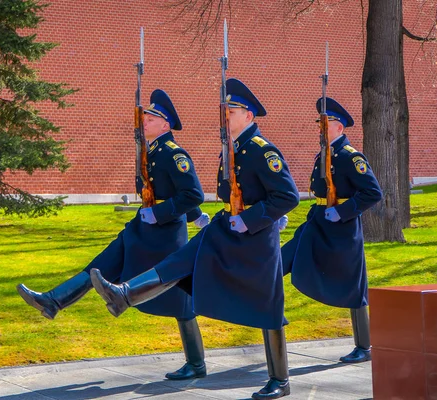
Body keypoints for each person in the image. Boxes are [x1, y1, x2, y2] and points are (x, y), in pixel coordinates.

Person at [90, 78, 300, 399]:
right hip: (226, 227)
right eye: (225, 110)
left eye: (232, 110)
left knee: (268, 303)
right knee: (179, 261)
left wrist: (251, 219)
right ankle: (124, 294)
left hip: (256, 237)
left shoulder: (261, 150)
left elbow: (287, 196)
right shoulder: (233, 149)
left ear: (249, 115)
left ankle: (280, 379)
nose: (226, 115)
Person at [16, 89, 210, 380]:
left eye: (152, 117)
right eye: (145, 116)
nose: (145, 120)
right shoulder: (152, 152)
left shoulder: (174, 153)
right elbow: (166, 190)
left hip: (165, 236)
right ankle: (53, 301)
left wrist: (171, 215)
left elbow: (192, 194)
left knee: (181, 300)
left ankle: (196, 363)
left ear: (166, 125)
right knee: (101, 264)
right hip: (141, 229)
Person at [281, 97, 383, 364]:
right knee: (279, 261)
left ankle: (365, 346)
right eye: (320, 125)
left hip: (341, 229)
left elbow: (372, 193)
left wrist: (343, 211)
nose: (321, 130)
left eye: (326, 125)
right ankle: (271, 316)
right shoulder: (326, 153)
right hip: (317, 220)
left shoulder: (350, 156)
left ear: (339, 127)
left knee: (353, 286)